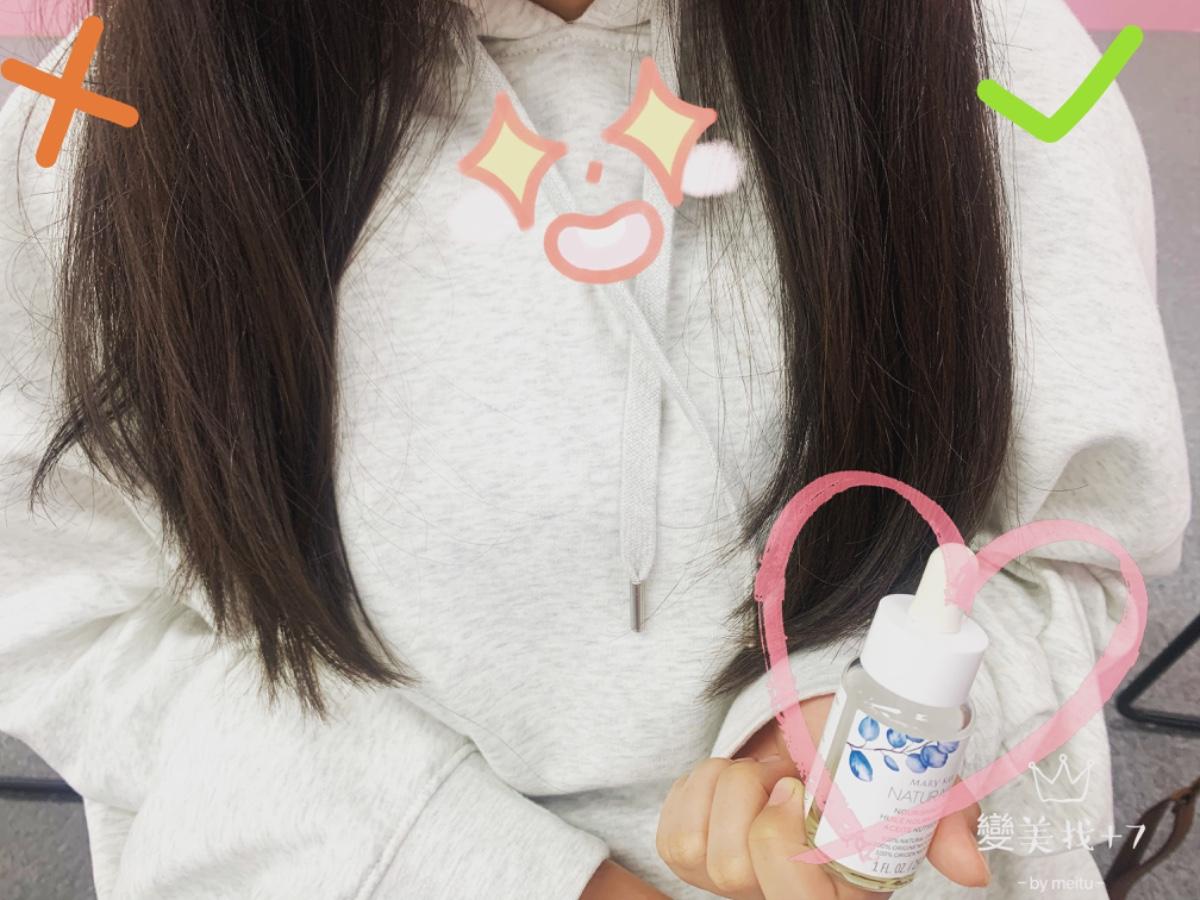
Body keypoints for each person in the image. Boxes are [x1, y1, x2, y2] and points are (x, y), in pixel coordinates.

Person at [0, 0, 1188, 897]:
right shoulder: (94, 131)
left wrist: (876, 710)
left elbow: (1074, 552)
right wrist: (499, 872)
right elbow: (74, 616)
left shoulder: (999, 64)